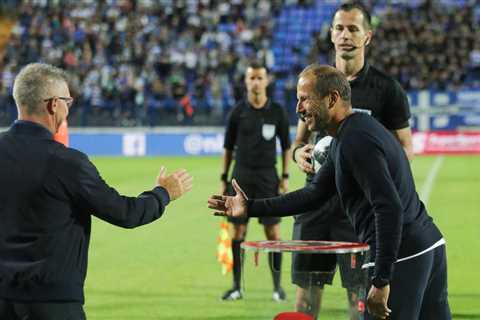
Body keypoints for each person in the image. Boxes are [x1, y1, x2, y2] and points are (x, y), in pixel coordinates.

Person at [209, 64, 451, 320]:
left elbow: (389, 207)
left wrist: (381, 279)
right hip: (428, 244)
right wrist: (250, 206)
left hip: (403, 257)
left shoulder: (355, 140)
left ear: (332, 98)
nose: (298, 108)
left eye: (305, 99)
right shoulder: (348, 136)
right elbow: (313, 194)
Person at [0, 63, 193, 320]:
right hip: (53, 303)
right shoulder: (68, 163)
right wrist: (163, 193)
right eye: (68, 101)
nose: (69, 108)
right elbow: (126, 213)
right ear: (53, 104)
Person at [290, 3, 413, 319]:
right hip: (315, 204)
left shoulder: (387, 90)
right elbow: (299, 140)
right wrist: (297, 153)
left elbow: (404, 149)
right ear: (331, 34)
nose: (345, 35)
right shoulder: (314, 83)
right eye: (339, 28)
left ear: (367, 37)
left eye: (353, 29)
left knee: (359, 300)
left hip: (357, 211)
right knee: (305, 299)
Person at [219, 61, 291, 301]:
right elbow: (228, 148)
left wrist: (285, 176)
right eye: (252, 78)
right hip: (241, 177)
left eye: (260, 78)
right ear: (246, 81)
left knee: (273, 232)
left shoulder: (277, 111)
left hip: (268, 178)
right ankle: (237, 286)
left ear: (267, 80)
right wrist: (223, 179)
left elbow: (287, 147)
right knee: (238, 230)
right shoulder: (237, 112)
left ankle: (277, 288)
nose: (256, 82)